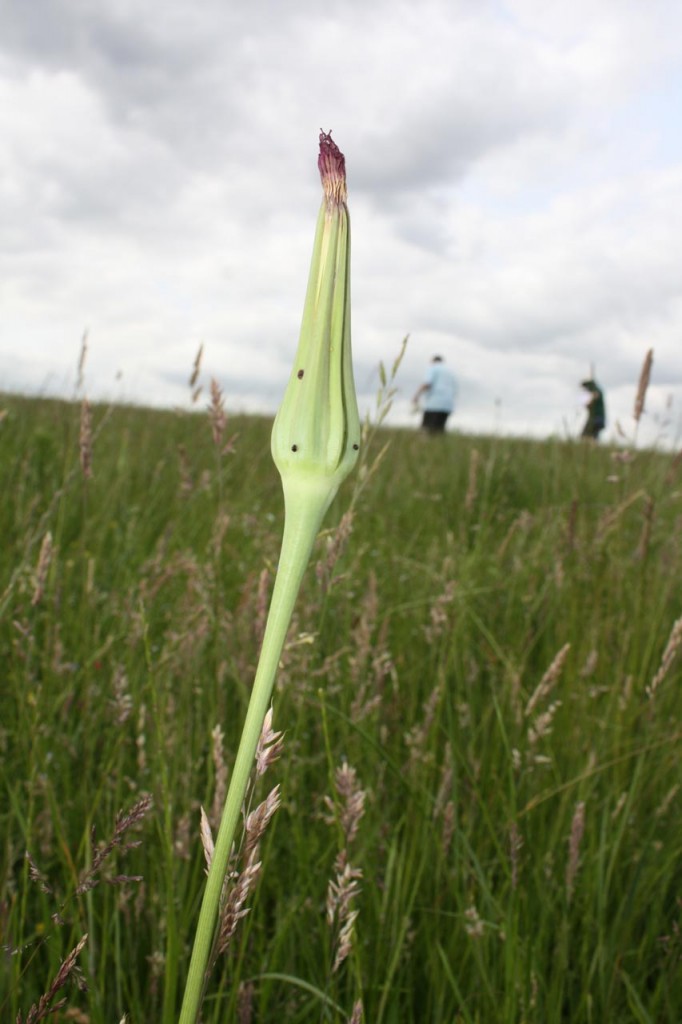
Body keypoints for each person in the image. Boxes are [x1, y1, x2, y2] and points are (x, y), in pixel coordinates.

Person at [413, 356, 457, 434]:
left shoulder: (433, 369)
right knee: (439, 431)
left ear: (433, 361)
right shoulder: (450, 372)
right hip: (447, 405)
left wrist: (416, 396)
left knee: (427, 430)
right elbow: (454, 390)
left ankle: (425, 445)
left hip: (434, 404)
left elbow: (427, 384)